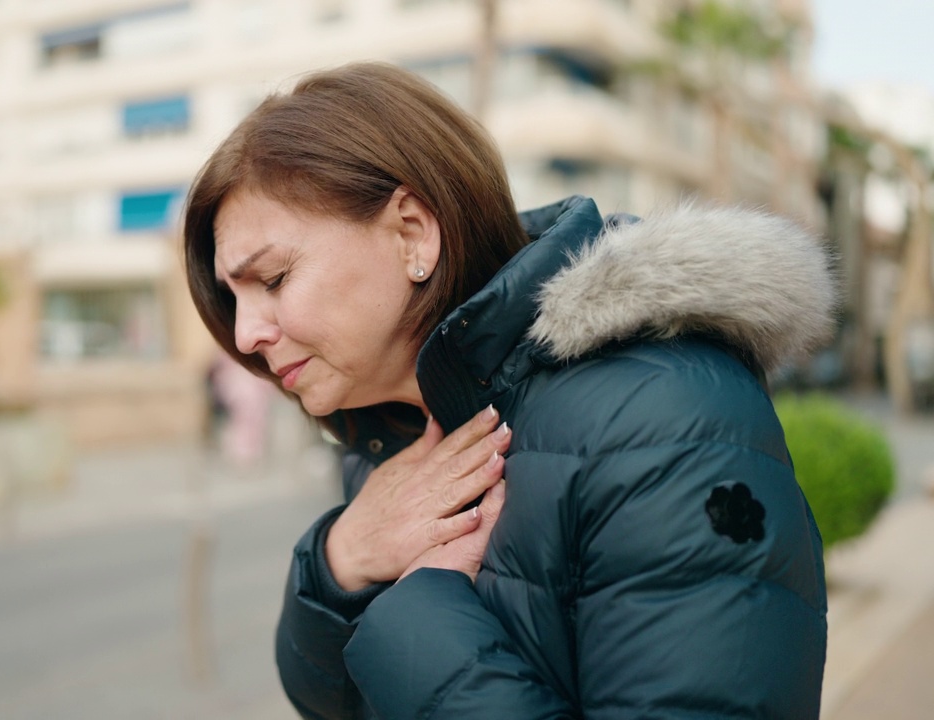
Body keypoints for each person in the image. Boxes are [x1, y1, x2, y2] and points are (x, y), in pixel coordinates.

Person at [182, 62, 833, 719]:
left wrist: (421, 607)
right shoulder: (400, 434)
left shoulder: (661, 419)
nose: (243, 336)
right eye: (232, 299)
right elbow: (335, 702)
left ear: (412, 232)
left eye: (271, 279)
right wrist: (340, 559)